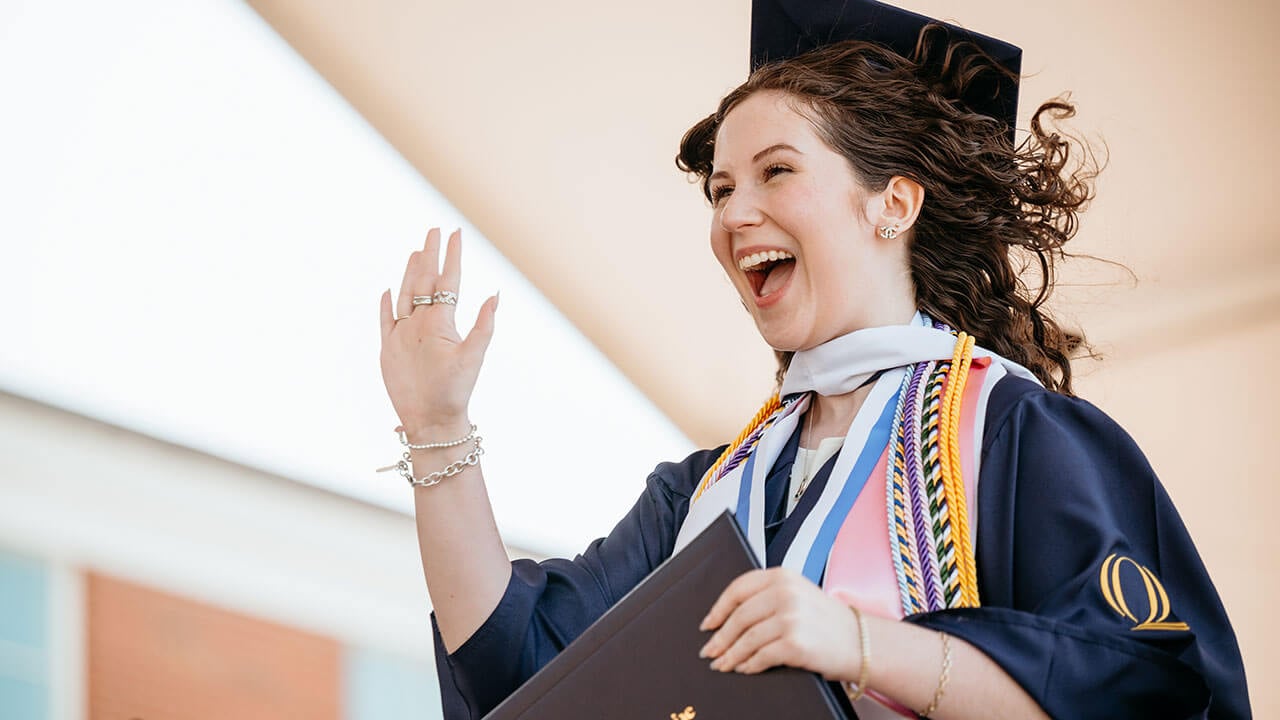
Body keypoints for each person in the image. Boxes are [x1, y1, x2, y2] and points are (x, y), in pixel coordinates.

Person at [376, 1, 1250, 717]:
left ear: (894, 203)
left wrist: (858, 644)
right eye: (721, 190)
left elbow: (1144, 693)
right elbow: (525, 672)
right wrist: (436, 429)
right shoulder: (699, 496)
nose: (731, 215)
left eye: (775, 172)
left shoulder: (1016, 437)